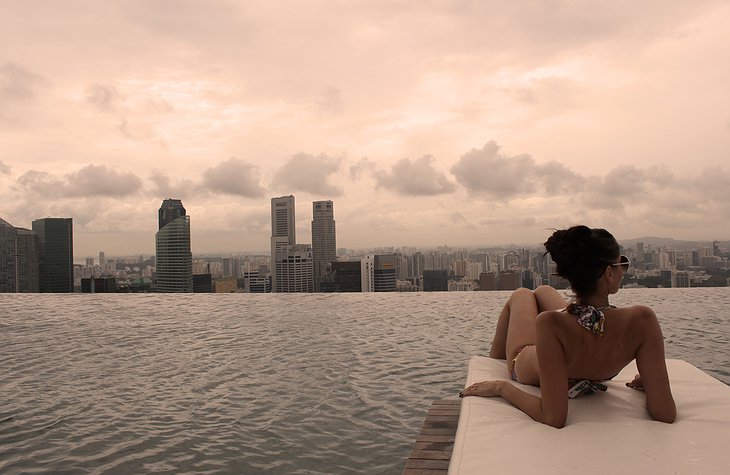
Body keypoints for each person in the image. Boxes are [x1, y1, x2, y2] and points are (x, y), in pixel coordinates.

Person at [459, 225, 676, 428]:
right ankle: (492, 363)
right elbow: (665, 413)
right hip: (570, 351)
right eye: (622, 264)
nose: (623, 271)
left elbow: (552, 416)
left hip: (529, 360)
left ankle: (492, 363)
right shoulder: (643, 320)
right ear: (609, 273)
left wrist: (502, 388)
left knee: (522, 294)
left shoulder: (551, 324)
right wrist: (649, 381)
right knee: (540, 291)